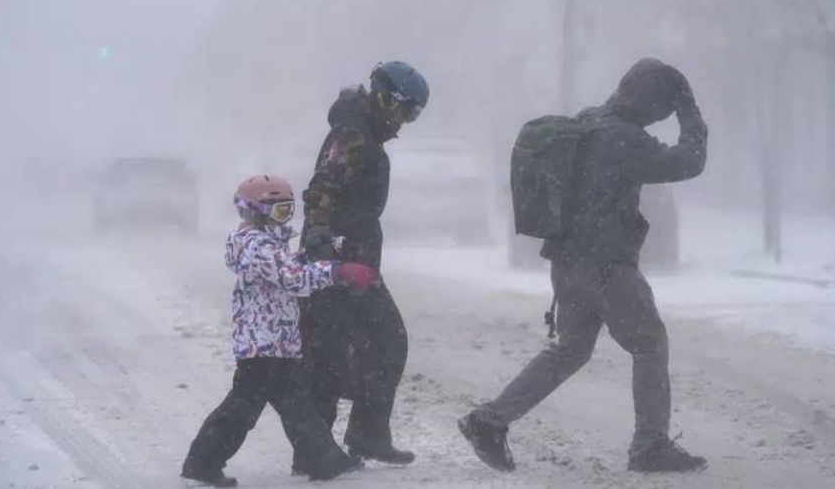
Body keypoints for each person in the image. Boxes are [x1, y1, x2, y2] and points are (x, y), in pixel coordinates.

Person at [458, 58, 709, 473]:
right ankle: (650, 446)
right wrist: (690, 110)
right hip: (607, 265)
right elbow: (689, 161)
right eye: (662, 108)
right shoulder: (623, 138)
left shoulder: (588, 123)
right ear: (651, 102)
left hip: (568, 262)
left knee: (570, 350)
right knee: (649, 343)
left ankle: (489, 420)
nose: (659, 118)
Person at [181, 175, 379, 486]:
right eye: (278, 212)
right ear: (254, 211)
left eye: (288, 211)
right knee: (243, 406)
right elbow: (291, 277)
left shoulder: (267, 243)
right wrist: (338, 272)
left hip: (278, 341)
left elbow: (287, 264)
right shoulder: (255, 244)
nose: (284, 218)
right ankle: (203, 462)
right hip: (261, 344)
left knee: (296, 403)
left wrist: (329, 247)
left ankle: (325, 460)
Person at [298, 61, 429, 467]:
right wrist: (322, 241)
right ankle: (314, 451)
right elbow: (322, 188)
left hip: (357, 258)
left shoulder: (364, 132)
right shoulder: (353, 134)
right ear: (387, 98)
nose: (406, 122)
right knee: (330, 352)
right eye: (407, 111)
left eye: (414, 116)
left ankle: (366, 435)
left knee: (382, 342)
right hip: (337, 259)